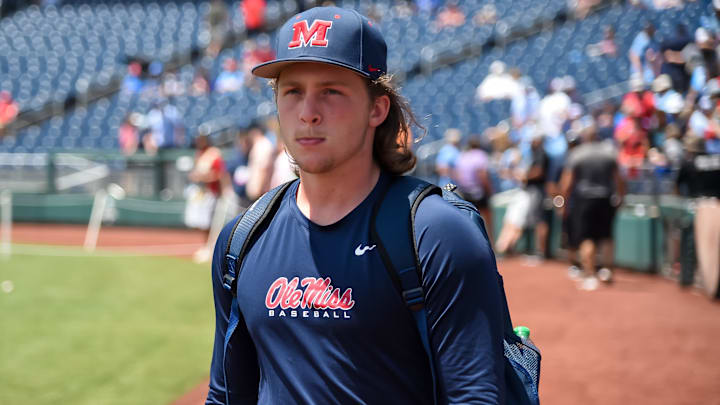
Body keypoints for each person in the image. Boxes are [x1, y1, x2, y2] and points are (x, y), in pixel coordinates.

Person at [206, 6, 505, 404]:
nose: (308, 113)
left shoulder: (436, 233)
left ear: (377, 108)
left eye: (331, 91)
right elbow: (226, 396)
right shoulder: (241, 239)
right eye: (292, 91)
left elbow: (476, 397)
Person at [560, 124, 625, 291]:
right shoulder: (609, 151)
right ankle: (607, 270)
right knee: (606, 236)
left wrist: (563, 202)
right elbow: (619, 179)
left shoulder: (578, 153)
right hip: (605, 198)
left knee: (586, 237)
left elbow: (567, 182)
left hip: (585, 200)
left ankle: (590, 275)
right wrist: (621, 197)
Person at [676, 137, 720, 299]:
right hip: (716, 205)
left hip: (697, 205)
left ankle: (687, 277)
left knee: (689, 240)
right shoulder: (716, 160)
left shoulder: (688, 162)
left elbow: (677, 185)